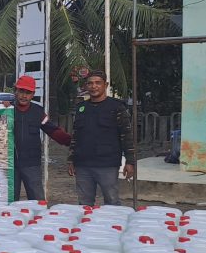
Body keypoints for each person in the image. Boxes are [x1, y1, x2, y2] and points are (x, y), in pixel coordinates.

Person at [67, 70, 135, 205]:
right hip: (83, 164)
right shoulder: (81, 108)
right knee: (84, 204)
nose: (94, 86)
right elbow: (75, 136)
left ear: (106, 85)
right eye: (90, 83)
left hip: (107, 164)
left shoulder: (117, 107)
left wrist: (130, 161)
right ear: (86, 86)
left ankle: (114, 226)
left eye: (98, 83)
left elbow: (127, 135)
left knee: (112, 202)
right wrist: (71, 159)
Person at [7, 75, 71, 201]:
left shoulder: (38, 112)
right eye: (21, 91)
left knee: (37, 200)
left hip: (31, 164)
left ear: (33, 94)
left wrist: (72, 141)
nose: (24, 96)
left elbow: (52, 130)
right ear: (15, 91)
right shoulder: (6, 110)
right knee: (10, 201)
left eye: (28, 93)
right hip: (10, 164)